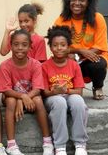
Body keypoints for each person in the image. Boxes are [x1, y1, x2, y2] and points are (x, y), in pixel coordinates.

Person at [0, 29, 54, 155]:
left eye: (24, 44)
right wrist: (22, 96)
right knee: (11, 101)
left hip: (31, 97)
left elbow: (38, 88)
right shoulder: (5, 66)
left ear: (30, 46)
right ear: (10, 46)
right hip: (11, 96)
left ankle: (47, 142)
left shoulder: (36, 64)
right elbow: (6, 90)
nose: (20, 48)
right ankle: (11, 145)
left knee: (38, 100)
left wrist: (23, 99)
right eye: (16, 44)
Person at [54, 0, 108, 100]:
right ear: (68, 1)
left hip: (93, 57)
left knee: (98, 64)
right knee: (61, 60)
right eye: (73, 0)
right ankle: (72, 87)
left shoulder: (97, 18)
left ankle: (97, 86)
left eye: (81, 0)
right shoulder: (61, 20)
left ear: (88, 2)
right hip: (71, 58)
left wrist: (83, 55)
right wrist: (80, 51)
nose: (77, 3)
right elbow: (57, 45)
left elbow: (100, 47)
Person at [42, 26, 88, 155]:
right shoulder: (44, 66)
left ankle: (80, 144)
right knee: (59, 102)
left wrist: (66, 90)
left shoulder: (74, 65)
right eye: (55, 45)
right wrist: (55, 92)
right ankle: (60, 146)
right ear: (50, 47)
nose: (59, 48)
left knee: (78, 101)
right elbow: (44, 92)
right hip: (53, 98)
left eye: (63, 45)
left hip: (70, 94)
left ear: (68, 47)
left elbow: (79, 91)